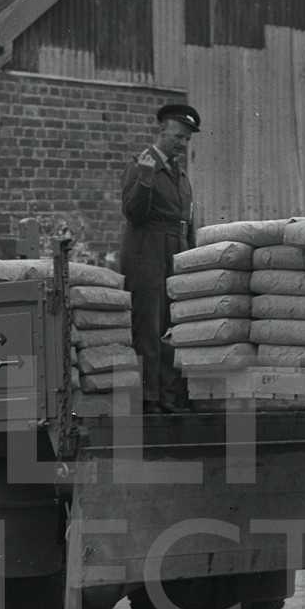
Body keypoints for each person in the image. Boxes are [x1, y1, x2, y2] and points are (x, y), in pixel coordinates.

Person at [121, 103, 200, 412]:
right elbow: (133, 213)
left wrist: (189, 255)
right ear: (162, 131)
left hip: (175, 251)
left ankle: (169, 396)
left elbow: (187, 220)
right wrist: (145, 178)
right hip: (146, 251)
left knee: (172, 325)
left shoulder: (179, 174)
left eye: (187, 139)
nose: (182, 143)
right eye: (178, 136)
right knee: (148, 326)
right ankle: (147, 398)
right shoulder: (141, 165)